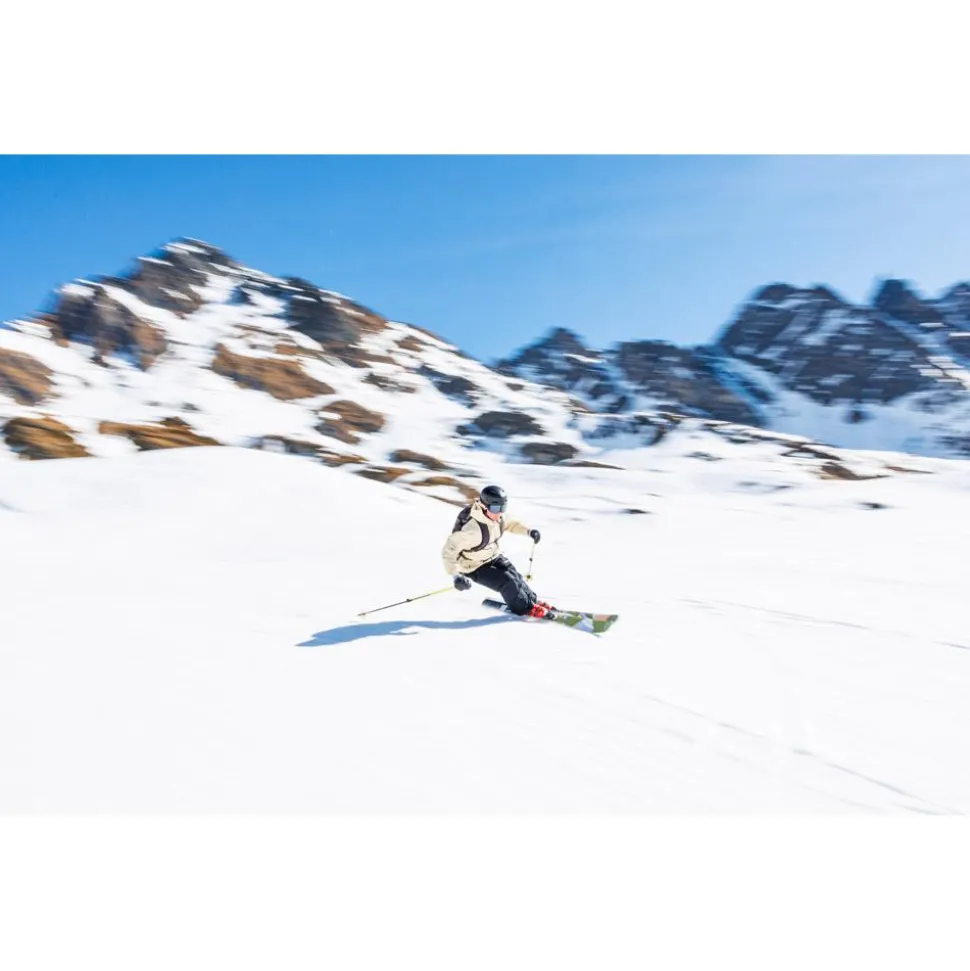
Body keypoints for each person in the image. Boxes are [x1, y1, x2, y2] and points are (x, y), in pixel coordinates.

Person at [441, 484, 557, 619]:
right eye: (496, 508)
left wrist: (529, 531)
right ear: (484, 506)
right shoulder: (471, 529)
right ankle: (525, 608)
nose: (500, 512)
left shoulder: (497, 517)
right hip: (473, 566)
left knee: (514, 575)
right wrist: (456, 576)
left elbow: (511, 524)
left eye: (503, 507)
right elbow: (448, 552)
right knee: (506, 581)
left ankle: (531, 600)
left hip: (492, 555)